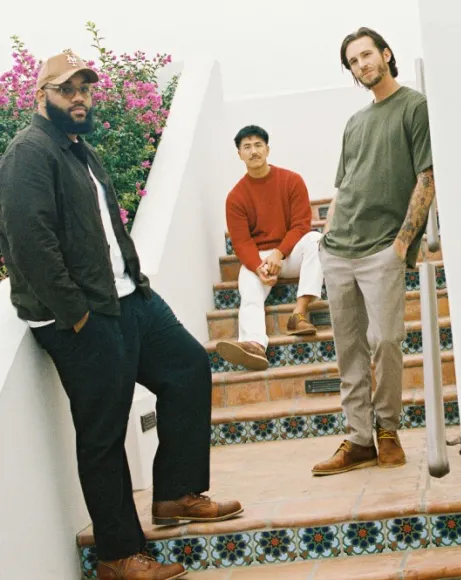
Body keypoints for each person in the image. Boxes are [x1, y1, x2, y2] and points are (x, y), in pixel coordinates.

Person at [0, 50, 242, 580]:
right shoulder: (28, 154)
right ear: (41, 96)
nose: (80, 98)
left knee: (187, 368)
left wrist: (136, 282)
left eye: (86, 88)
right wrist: (77, 316)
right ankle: (117, 555)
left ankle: (175, 493)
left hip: (128, 299)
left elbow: (107, 228)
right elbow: (29, 243)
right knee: (104, 433)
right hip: (81, 316)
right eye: (68, 89)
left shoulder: (79, 150)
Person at [312, 28, 436, 476]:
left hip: (383, 249)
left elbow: (427, 177)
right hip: (339, 249)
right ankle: (360, 439)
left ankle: (387, 430)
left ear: (385, 54)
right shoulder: (355, 122)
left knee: (385, 341)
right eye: (353, 61)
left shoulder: (415, 107)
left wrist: (402, 244)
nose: (362, 64)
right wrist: (327, 235)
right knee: (349, 350)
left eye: (367, 54)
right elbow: (344, 185)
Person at [216, 125, 324, 371]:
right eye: (247, 147)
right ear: (239, 154)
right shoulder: (236, 197)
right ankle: (254, 345)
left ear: (267, 149)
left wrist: (279, 252)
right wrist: (257, 266)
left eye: (258, 145)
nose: (253, 151)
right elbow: (241, 242)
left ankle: (298, 314)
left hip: (291, 252)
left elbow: (301, 225)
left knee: (316, 240)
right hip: (261, 259)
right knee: (248, 284)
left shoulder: (291, 180)